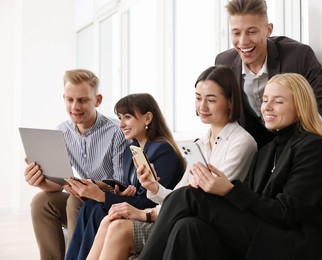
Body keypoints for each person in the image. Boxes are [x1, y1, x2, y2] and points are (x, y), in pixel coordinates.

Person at [136, 73, 322, 260]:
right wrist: (221, 188)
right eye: (264, 100)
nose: (267, 107)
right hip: (265, 234)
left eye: (278, 101)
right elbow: (252, 205)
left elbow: (286, 212)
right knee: (187, 227)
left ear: (299, 107)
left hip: (296, 244)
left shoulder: (314, 147)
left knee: (187, 196)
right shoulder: (266, 152)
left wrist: (230, 190)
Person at [86, 65, 258, 260]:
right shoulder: (200, 144)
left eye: (211, 100)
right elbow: (179, 197)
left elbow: (203, 201)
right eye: (198, 98)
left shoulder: (241, 142)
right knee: (110, 220)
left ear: (230, 101)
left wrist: (147, 214)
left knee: (119, 227)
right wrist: (154, 187)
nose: (202, 107)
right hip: (180, 214)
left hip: (208, 225)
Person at [215, 0, 322, 167]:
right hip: (252, 155)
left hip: (293, 149)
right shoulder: (224, 62)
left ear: (268, 30)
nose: (243, 41)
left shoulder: (297, 56)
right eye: (236, 32)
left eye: (252, 31)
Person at [64, 93, 186, 260]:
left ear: (147, 118)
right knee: (90, 206)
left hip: (153, 211)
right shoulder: (133, 149)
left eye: (127, 117)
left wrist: (102, 196)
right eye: (120, 118)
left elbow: (151, 201)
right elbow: (134, 189)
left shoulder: (163, 151)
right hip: (139, 203)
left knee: (99, 208)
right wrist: (112, 190)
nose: (121, 125)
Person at [23, 68, 126, 260]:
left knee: (75, 200)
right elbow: (60, 182)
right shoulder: (62, 131)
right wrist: (40, 181)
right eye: (69, 100)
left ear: (98, 100)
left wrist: (87, 187)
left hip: (107, 201)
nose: (75, 106)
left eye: (82, 100)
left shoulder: (116, 132)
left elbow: (120, 182)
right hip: (80, 195)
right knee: (41, 201)